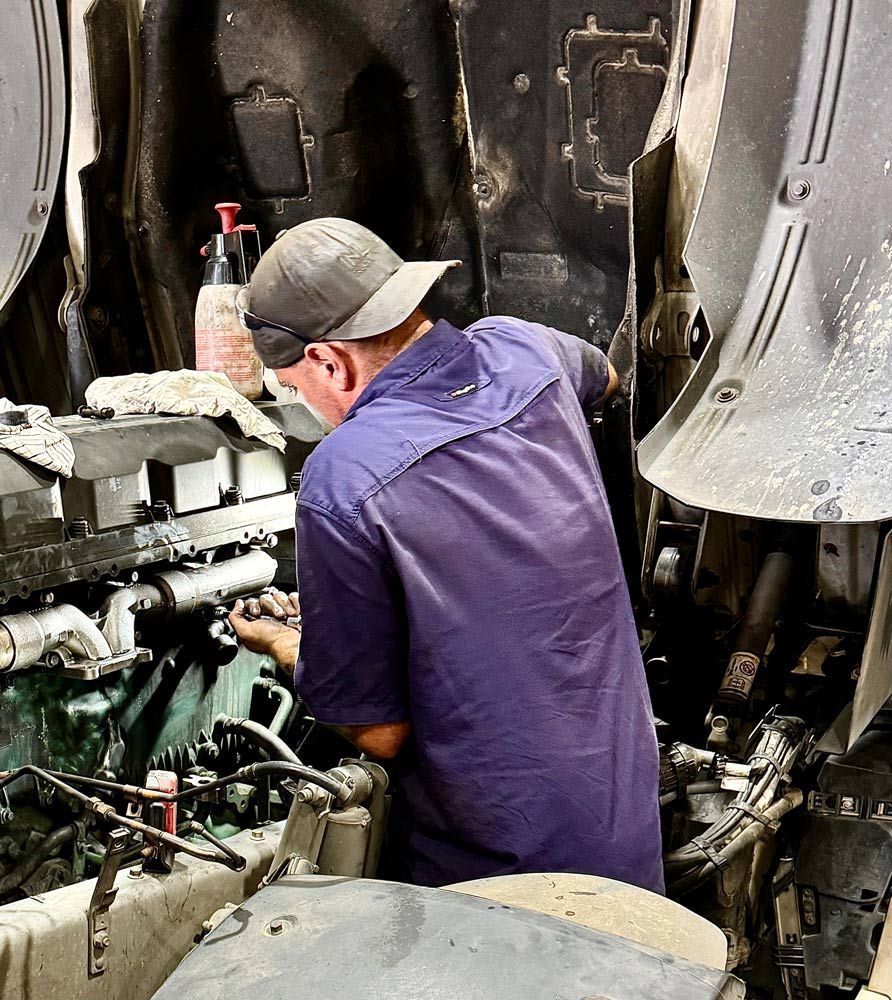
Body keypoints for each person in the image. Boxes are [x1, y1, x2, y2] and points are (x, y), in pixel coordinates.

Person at [229, 218, 664, 893]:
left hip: (496, 869)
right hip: (622, 824)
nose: (304, 404)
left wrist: (291, 646)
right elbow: (604, 377)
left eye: (291, 388)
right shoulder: (526, 347)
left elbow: (379, 734)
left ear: (328, 361)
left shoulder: (344, 478)